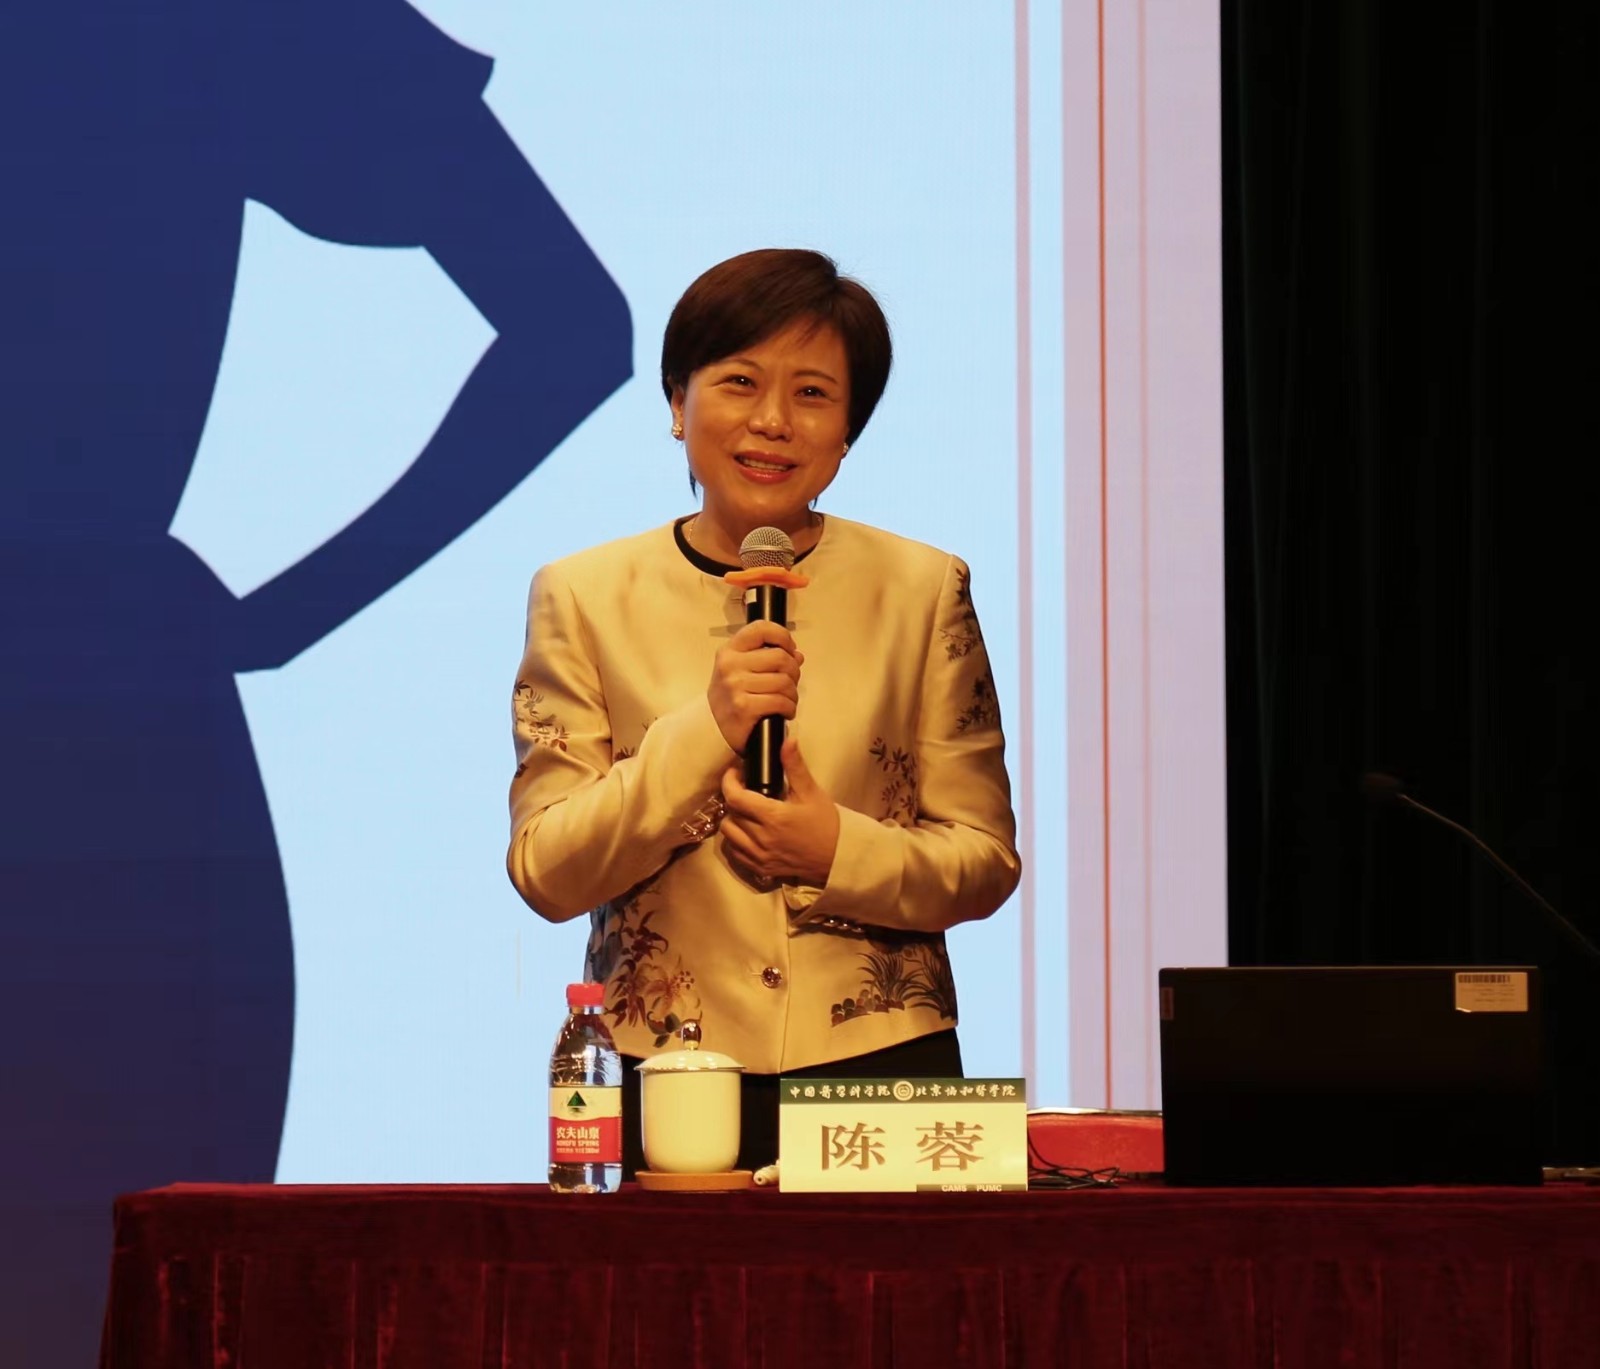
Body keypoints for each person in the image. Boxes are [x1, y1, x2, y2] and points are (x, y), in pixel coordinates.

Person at [507, 248, 1019, 1173]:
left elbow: (984, 860)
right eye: (740, 382)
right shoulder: (582, 596)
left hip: (883, 1067)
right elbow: (546, 869)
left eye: (813, 394)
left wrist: (835, 850)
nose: (774, 420)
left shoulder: (922, 589)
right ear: (678, 402)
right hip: (667, 1069)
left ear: (848, 430)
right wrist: (705, 729)